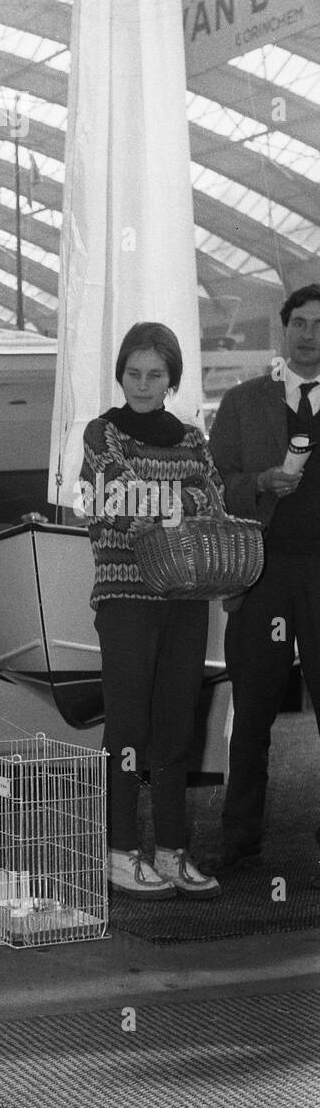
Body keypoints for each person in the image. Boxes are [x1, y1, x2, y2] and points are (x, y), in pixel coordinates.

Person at [80, 322, 223, 899]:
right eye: (134, 373)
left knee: (176, 725)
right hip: (124, 599)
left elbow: (214, 501)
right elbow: (115, 499)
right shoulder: (100, 432)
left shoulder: (192, 437)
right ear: (120, 375)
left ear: (171, 379)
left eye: (155, 374)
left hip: (186, 598)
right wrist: (178, 502)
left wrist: (157, 497)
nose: (143, 383)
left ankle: (169, 851)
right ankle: (119, 853)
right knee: (129, 726)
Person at [210, 284, 320, 885]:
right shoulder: (244, 402)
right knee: (251, 714)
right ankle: (239, 839)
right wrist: (260, 482)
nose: (310, 335)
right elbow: (214, 479)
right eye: (300, 323)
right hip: (262, 573)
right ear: (284, 330)